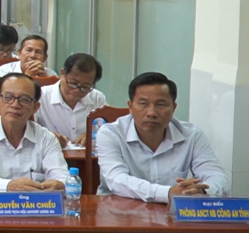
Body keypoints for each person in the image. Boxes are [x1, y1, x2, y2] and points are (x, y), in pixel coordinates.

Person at [97, 72, 230, 202]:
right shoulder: (110, 133)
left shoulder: (192, 135)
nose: (151, 113)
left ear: (174, 107)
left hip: (171, 215)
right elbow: (116, 179)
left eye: (161, 105)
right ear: (130, 107)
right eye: (143, 104)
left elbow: (217, 176)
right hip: (119, 212)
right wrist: (167, 193)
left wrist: (203, 190)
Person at [0, 73, 69, 192]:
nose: (15, 105)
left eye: (24, 100)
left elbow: (62, 175)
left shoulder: (47, 138)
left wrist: (58, 184)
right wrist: (8, 186)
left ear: (35, 107)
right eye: (8, 97)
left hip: (34, 206)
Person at [35, 53, 107, 145]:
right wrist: (46, 136)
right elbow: (28, 128)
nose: (77, 90)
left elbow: (106, 128)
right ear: (62, 74)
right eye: (73, 83)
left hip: (85, 156)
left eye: (85, 86)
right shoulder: (41, 96)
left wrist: (90, 135)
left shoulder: (97, 98)